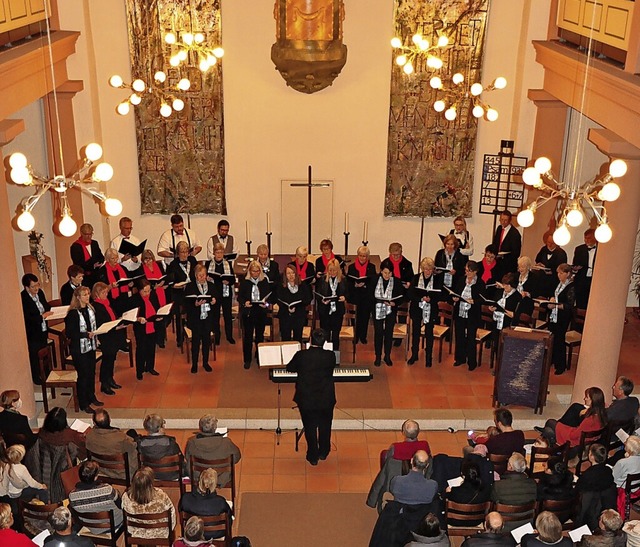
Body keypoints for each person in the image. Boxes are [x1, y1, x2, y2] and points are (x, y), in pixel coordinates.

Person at [286, 328, 336, 466]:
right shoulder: (330, 356)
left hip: (306, 398)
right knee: (325, 425)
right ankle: (324, 451)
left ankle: (312, 456)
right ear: (324, 342)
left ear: (309, 340)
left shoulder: (301, 355)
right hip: (326, 397)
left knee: (310, 426)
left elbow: (290, 367)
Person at [37, 407, 87, 503]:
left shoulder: (42, 433)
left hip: (46, 468)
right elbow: (82, 452)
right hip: (65, 470)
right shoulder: (70, 435)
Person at [65, 286, 101, 412]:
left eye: (88, 294)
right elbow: (70, 333)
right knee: (83, 375)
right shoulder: (73, 314)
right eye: (84, 295)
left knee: (91, 373)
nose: (87, 296)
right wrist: (86, 334)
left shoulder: (90, 309)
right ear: (78, 297)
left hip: (90, 347)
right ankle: (83, 402)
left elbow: (93, 325)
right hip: (79, 349)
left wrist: (95, 335)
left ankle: (91, 396)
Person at [538, 386, 607, 448]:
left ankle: (545, 443)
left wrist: (567, 429)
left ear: (592, 401)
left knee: (550, 423)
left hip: (575, 441)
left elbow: (573, 436)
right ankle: (544, 440)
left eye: (587, 397)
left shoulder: (590, 419)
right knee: (549, 429)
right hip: (584, 439)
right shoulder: (602, 414)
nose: (584, 399)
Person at [68, 460, 123, 534]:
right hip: (115, 524)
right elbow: (120, 505)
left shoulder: (72, 497)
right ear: (95, 477)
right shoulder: (108, 490)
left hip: (90, 527)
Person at [121, 467, 176, 540]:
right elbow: (172, 517)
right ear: (151, 483)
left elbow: (124, 517)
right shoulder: (162, 496)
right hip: (160, 533)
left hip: (136, 533)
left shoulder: (126, 497)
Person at [184, 414, 241, 485]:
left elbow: (187, 457)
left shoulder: (191, 442)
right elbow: (236, 458)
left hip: (199, 476)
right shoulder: (226, 442)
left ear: (200, 427)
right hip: (220, 477)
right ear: (214, 428)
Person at [91, 282, 126, 395]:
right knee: (106, 361)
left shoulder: (106, 303)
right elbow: (101, 323)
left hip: (112, 336)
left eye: (107, 292)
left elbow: (112, 317)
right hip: (105, 337)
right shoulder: (96, 306)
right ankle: (104, 384)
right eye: (103, 292)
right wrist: (115, 327)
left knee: (111, 359)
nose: (106, 294)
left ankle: (110, 379)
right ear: (96, 294)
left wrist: (119, 320)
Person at [184, 264, 219, 373]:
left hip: (208, 318)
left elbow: (216, 297)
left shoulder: (211, 285)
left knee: (206, 340)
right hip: (196, 319)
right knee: (195, 341)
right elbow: (186, 304)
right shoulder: (190, 286)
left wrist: (214, 301)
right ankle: (194, 364)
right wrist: (195, 304)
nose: (202, 278)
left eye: (203, 275)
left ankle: (205, 362)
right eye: (199, 276)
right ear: (195, 276)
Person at [85, 409, 139, 480]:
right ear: (110, 420)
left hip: (100, 469)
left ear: (94, 423)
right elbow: (133, 446)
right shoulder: (121, 438)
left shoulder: (89, 436)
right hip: (120, 473)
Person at [178, 468, 231, 540]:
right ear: (214, 485)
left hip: (193, 532)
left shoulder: (185, 498)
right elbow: (229, 518)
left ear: (199, 481)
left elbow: (180, 511)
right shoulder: (220, 502)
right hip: (216, 533)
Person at [408, 257, 442, 367]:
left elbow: (440, 295)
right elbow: (411, 294)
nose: (428, 271)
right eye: (425, 269)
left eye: (430, 269)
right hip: (417, 308)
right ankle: (414, 355)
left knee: (429, 333)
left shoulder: (437, 280)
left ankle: (428, 357)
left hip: (431, 309)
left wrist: (430, 299)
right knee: (416, 332)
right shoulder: (416, 278)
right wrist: (420, 298)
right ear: (422, 268)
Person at [452, 260, 485, 371]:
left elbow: (482, 299)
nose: (467, 273)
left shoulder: (480, 283)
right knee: (459, 335)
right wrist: (455, 298)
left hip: (472, 314)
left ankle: (472, 361)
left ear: (475, 272)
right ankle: (460, 358)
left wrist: (474, 301)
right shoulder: (461, 280)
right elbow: (456, 292)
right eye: (466, 270)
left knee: (471, 337)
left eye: (470, 271)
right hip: (460, 311)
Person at [238, 260, 271, 369]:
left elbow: (268, 297)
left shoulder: (264, 281)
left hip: (260, 312)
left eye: (257, 271)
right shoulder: (245, 282)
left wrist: (265, 304)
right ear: (249, 271)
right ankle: (247, 359)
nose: (255, 273)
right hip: (249, 312)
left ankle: (259, 355)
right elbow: (240, 297)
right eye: (253, 271)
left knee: (259, 336)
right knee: (248, 336)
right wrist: (245, 303)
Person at [491, 453, 537, 530]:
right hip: (526, 524)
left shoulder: (498, 486)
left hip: (504, 525)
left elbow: (492, 502)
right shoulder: (533, 484)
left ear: (510, 467)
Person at [20, 273, 52, 385]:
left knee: (44, 349)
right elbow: (27, 318)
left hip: (43, 328)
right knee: (35, 354)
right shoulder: (23, 298)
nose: (36, 288)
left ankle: (47, 373)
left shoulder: (40, 293)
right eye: (33, 287)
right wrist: (41, 316)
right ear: (26, 287)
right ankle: (37, 376)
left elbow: (46, 306)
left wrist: (48, 312)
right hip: (33, 332)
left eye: (37, 285)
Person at [371, 260, 404, 367]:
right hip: (377, 309)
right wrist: (377, 300)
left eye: (389, 273)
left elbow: (402, 296)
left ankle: (387, 356)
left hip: (391, 310)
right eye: (385, 273)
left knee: (389, 333)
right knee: (379, 332)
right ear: (381, 271)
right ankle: (378, 356)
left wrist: (395, 303)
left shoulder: (397, 282)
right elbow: (369, 296)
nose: (387, 275)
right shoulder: (375, 279)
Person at [546, 263, 575, 375]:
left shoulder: (571, 287)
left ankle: (561, 365)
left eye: (561, 273)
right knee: (552, 338)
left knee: (559, 340)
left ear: (568, 274)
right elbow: (555, 295)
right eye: (558, 272)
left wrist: (556, 305)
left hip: (563, 316)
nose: (558, 275)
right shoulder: (559, 284)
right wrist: (552, 299)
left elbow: (569, 306)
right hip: (555, 315)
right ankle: (552, 359)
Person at [131, 279, 163, 380]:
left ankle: (150, 367)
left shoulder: (153, 295)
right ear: (139, 290)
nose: (147, 293)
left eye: (149, 290)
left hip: (152, 325)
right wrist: (138, 319)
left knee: (151, 347)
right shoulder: (135, 299)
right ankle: (139, 371)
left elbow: (157, 307)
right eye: (145, 291)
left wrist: (159, 315)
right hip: (141, 327)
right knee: (141, 349)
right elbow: (132, 315)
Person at [167, 240, 197, 348]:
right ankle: (180, 338)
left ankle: (194, 334)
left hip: (192, 292)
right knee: (179, 313)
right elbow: (170, 282)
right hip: (179, 294)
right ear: (177, 253)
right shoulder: (173, 264)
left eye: (186, 252)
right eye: (182, 252)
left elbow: (197, 275)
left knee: (195, 310)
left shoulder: (193, 261)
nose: (184, 254)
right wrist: (176, 285)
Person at [136, 414, 183, 480]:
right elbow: (181, 460)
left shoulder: (140, 444)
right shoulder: (171, 442)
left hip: (148, 476)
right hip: (171, 475)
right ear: (161, 427)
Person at [315, 258, 347, 352]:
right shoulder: (322, 280)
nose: (332, 272)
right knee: (326, 333)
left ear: (338, 270)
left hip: (338, 310)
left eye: (334, 270)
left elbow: (348, 293)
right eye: (330, 270)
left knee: (336, 334)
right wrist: (322, 300)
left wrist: (344, 297)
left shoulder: (343, 280)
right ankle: (326, 354)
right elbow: (318, 294)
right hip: (325, 310)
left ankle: (335, 355)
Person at [346, 245, 376, 344]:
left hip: (366, 295)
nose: (362, 258)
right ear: (357, 256)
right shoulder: (351, 267)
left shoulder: (371, 267)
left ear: (367, 257)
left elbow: (373, 281)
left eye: (364, 256)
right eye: (360, 255)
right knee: (355, 316)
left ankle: (363, 336)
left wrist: (365, 284)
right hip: (355, 295)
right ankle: (355, 335)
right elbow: (348, 281)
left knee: (365, 316)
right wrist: (354, 284)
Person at [207, 242, 236, 345]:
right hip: (214, 294)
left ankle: (229, 336)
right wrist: (208, 278)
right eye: (217, 252)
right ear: (214, 253)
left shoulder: (227, 264)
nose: (219, 254)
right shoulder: (208, 264)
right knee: (215, 316)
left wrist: (228, 281)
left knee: (228, 315)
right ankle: (217, 337)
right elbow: (205, 279)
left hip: (225, 293)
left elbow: (233, 279)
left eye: (221, 252)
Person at [446, 461, 491, 525]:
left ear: (463, 476)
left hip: (455, 521)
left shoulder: (455, 491)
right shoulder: (485, 491)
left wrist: (447, 493)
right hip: (476, 522)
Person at [277, 264, 312, 342]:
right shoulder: (281, 286)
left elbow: (308, 299)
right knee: (285, 338)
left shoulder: (302, 285)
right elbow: (279, 300)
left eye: (293, 273)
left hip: (299, 315)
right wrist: (288, 308)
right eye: (288, 273)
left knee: (298, 338)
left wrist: (298, 306)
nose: (291, 275)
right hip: (285, 315)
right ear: (285, 275)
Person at [141, 249, 169, 348]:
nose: (148, 261)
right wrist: (154, 287)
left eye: (150, 259)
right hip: (151, 295)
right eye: (146, 259)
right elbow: (143, 285)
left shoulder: (159, 265)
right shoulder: (142, 269)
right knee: (155, 316)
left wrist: (164, 284)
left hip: (161, 292)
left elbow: (165, 277)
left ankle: (161, 338)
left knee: (163, 315)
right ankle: (157, 338)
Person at [488, 273, 522, 349]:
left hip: (508, 325)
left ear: (513, 285)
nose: (505, 286)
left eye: (508, 284)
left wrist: (503, 310)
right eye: (504, 284)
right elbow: (493, 303)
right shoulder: (499, 292)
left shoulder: (517, 297)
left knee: (505, 348)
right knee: (496, 346)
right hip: (496, 323)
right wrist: (491, 308)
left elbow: (515, 315)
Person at [97, 248, 133, 314]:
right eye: (113, 258)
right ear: (107, 259)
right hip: (112, 300)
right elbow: (100, 289)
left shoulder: (123, 268)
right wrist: (110, 286)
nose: (115, 260)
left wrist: (130, 284)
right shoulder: (102, 271)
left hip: (124, 298)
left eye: (116, 258)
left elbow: (129, 280)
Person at [70, 223, 105, 288]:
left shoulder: (94, 243)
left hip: (96, 275)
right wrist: (92, 265)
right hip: (84, 277)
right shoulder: (75, 246)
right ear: (81, 233)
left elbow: (101, 257)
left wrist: (99, 263)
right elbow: (78, 263)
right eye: (86, 234)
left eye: (90, 234)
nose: (89, 236)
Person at [572, 228, 597, 309]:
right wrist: (576, 268)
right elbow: (575, 263)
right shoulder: (579, 249)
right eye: (585, 238)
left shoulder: (601, 249)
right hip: (581, 280)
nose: (586, 240)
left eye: (589, 238)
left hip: (595, 280)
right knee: (580, 303)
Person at [492, 210, 521, 274]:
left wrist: (503, 256)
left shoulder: (515, 233)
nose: (503, 222)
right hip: (497, 263)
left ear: (510, 220)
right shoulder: (499, 228)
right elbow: (495, 243)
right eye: (501, 219)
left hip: (508, 265)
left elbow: (516, 253)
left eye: (505, 220)